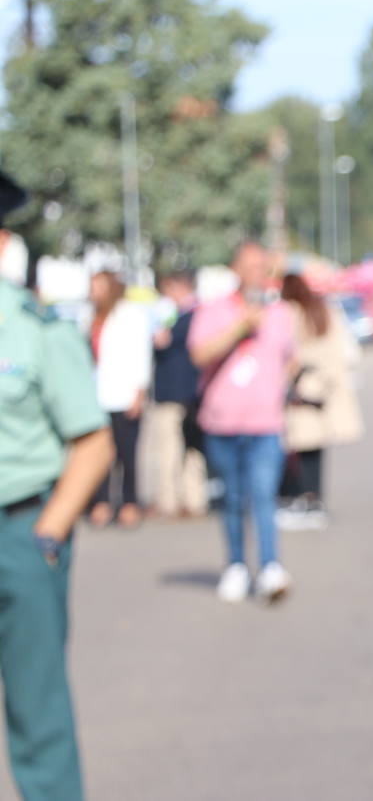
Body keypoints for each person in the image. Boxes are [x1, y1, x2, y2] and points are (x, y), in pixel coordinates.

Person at [0, 171, 114, 800]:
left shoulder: (31, 327)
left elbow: (92, 443)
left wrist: (48, 532)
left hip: (18, 531)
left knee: (36, 707)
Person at [188, 241, 295, 603]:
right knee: (232, 498)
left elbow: (289, 360)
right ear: (235, 268)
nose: (255, 272)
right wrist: (239, 328)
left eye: (260, 266)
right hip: (223, 424)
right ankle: (235, 565)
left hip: (265, 424)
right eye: (248, 265)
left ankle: (269, 566)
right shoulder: (215, 310)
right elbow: (199, 354)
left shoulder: (280, 312)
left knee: (263, 495)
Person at [277, 273, 363, 531]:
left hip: (301, 387)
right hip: (322, 388)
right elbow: (347, 351)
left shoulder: (291, 313)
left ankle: (302, 499)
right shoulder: (325, 310)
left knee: (298, 449)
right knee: (313, 450)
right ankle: (313, 499)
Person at [87, 269, 152, 529]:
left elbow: (141, 353)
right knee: (100, 454)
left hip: (123, 394)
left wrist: (139, 391)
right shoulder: (92, 316)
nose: (93, 292)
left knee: (127, 453)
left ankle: (129, 503)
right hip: (97, 395)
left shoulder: (130, 314)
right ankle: (101, 502)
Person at [150, 269, 207, 519]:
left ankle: (171, 501)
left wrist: (161, 339)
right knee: (191, 450)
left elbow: (165, 345)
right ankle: (193, 499)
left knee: (172, 449)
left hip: (176, 392)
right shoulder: (198, 315)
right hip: (193, 393)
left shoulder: (186, 317)